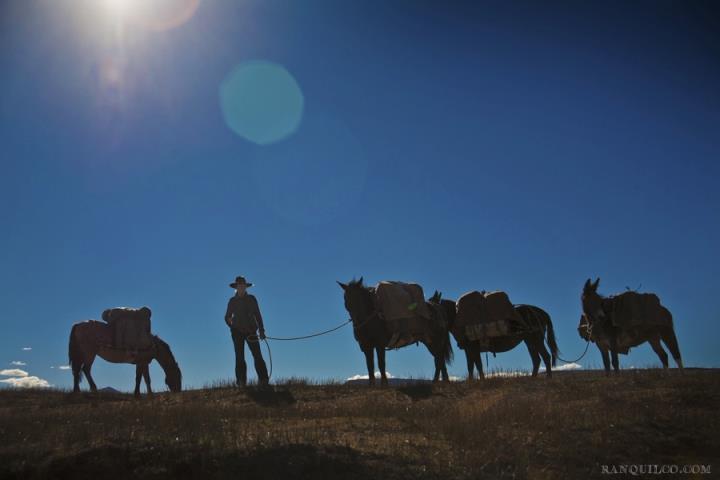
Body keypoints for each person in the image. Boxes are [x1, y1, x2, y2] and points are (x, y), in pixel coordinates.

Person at [225, 276, 269, 387]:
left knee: (257, 355)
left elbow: (258, 315)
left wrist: (262, 330)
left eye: (243, 285)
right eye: (239, 285)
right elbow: (227, 317)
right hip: (237, 333)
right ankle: (241, 382)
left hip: (251, 331)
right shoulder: (232, 301)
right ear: (236, 287)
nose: (241, 287)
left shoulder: (252, 299)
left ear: (245, 287)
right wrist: (232, 326)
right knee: (239, 357)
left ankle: (263, 380)